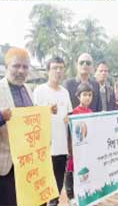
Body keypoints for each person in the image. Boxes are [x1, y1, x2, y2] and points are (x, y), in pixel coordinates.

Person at [0, 47, 34, 206]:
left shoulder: (28, 89)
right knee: (4, 202)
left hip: (25, 161)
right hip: (4, 162)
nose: (21, 71)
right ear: (6, 67)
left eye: (25, 67)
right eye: (16, 66)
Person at [33, 57, 72, 206]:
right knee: (42, 189)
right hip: (44, 148)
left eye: (61, 68)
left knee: (56, 188)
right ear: (48, 70)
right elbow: (33, 115)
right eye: (55, 67)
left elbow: (69, 116)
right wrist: (46, 111)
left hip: (61, 148)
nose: (58, 71)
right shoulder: (39, 91)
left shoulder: (65, 92)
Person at [65, 83, 93, 206]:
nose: (87, 97)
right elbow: (69, 132)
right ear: (78, 96)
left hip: (86, 148)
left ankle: (83, 191)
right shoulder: (73, 113)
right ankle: (70, 195)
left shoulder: (91, 112)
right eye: (85, 95)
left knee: (83, 170)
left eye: (90, 95)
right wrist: (70, 148)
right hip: (74, 148)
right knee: (71, 170)